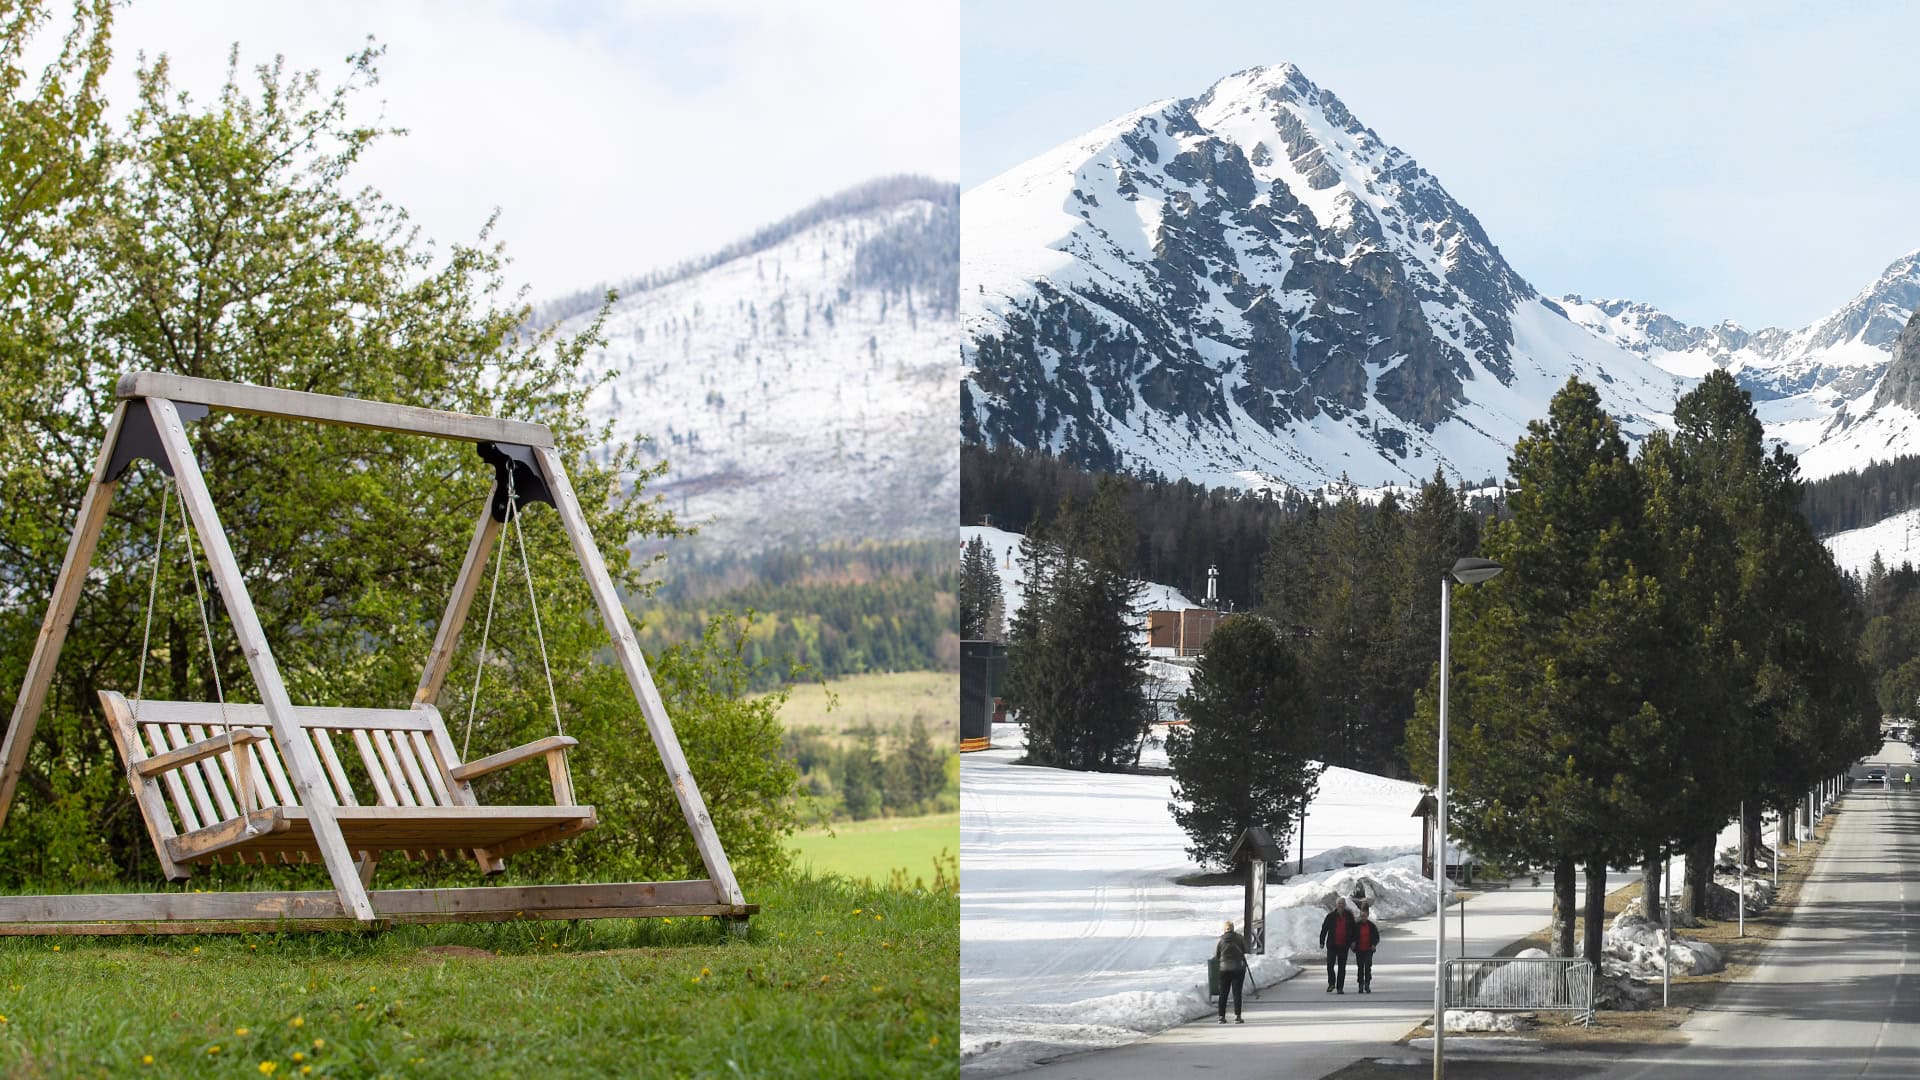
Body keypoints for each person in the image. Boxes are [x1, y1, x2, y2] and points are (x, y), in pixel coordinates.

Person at [1319, 896, 1357, 993]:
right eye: (1339, 903)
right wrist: (1322, 942)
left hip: (1344, 945)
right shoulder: (1330, 916)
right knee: (1330, 965)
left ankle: (1340, 987)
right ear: (1336, 905)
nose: (1341, 905)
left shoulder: (1349, 916)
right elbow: (1324, 929)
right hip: (1332, 944)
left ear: (1345, 905)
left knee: (1342, 967)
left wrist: (1353, 941)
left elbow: (1354, 930)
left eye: (1343, 904)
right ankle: (1331, 983)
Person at [1214, 919, 1248, 1023]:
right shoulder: (1239, 938)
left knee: (1223, 993)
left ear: (1224, 930)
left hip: (1224, 969)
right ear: (1233, 928)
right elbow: (1246, 949)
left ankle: (1221, 1017)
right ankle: (1237, 1016)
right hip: (1238, 968)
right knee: (1237, 993)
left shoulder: (1220, 940)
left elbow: (1217, 955)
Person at [1353, 910, 1380, 993]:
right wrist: (1353, 943)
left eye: (1364, 916)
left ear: (1367, 916)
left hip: (1368, 949)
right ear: (1360, 917)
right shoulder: (1356, 926)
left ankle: (1367, 984)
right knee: (1360, 967)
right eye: (1362, 916)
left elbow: (1376, 937)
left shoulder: (1371, 926)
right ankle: (1360, 984)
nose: (1363, 918)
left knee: (1368, 966)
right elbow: (1352, 935)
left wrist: (1374, 944)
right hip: (1359, 949)